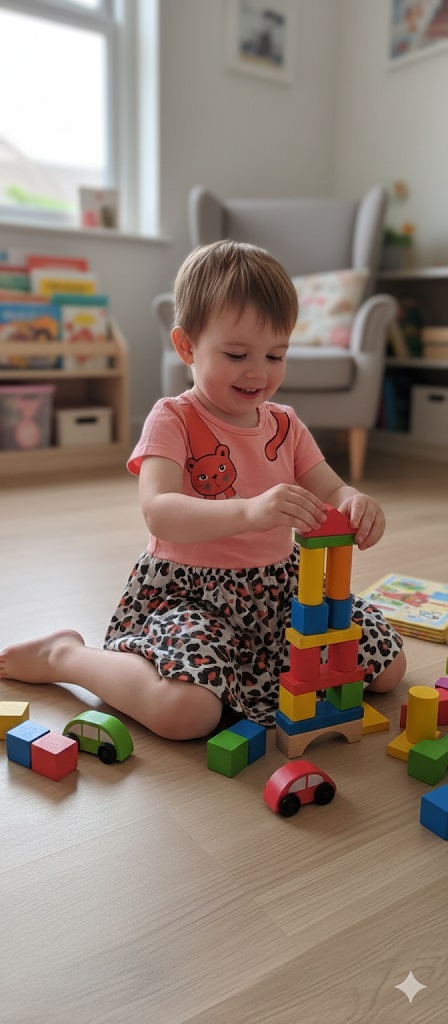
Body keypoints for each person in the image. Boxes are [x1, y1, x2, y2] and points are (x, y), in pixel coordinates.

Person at [0, 241, 406, 740]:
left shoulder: (285, 424)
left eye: (276, 355)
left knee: (388, 667)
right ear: (187, 347)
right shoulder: (173, 418)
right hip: (191, 596)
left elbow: (333, 488)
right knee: (187, 714)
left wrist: (355, 503)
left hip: (281, 594)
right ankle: (64, 655)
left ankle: (249, 675)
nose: (258, 372)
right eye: (237, 354)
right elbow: (159, 511)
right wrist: (248, 512)